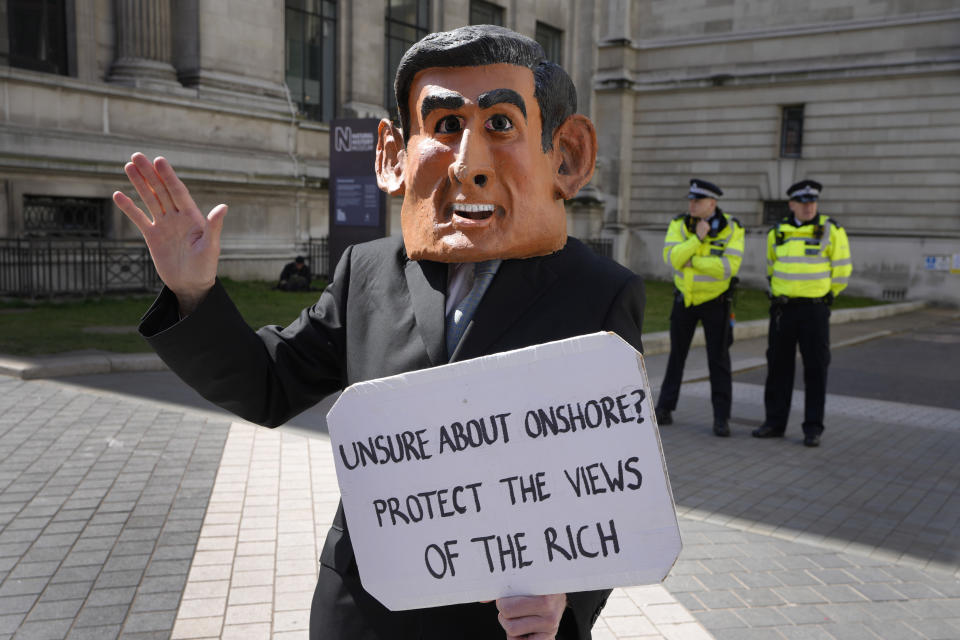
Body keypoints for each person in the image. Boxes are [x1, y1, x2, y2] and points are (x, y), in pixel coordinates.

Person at [112, 25, 644, 640]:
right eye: (444, 126)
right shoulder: (367, 271)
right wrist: (193, 292)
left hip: (502, 624)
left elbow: (615, 484)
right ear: (394, 155)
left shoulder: (600, 294)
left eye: (500, 124)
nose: (469, 165)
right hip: (362, 612)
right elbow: (269, 385)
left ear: (566, 155)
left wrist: (568, 600)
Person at [752, 179, 852, 448]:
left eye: (813, 202)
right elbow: (771, 266)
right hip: (783, 310)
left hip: (814, 310)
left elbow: (842, 269)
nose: (809, 207)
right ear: (792, 204)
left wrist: (827, 296)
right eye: (803, 203)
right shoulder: (778, 231)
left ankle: (812, 428)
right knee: (778, 367)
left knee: (816, 368)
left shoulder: (831, 230)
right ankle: (774, 423)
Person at [654, 179, 744, 437]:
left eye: (698, 201)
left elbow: (728, 268)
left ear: (712, 203)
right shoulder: (679, 224)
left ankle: (721, 418)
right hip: (685, 300)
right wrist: (697, 239)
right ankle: (665, 408)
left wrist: (692, 262)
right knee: (676, 357)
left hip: (716, 303)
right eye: (691, 200)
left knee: (719, 361)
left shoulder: (732, 228)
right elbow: (672, 259)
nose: (692, 204)